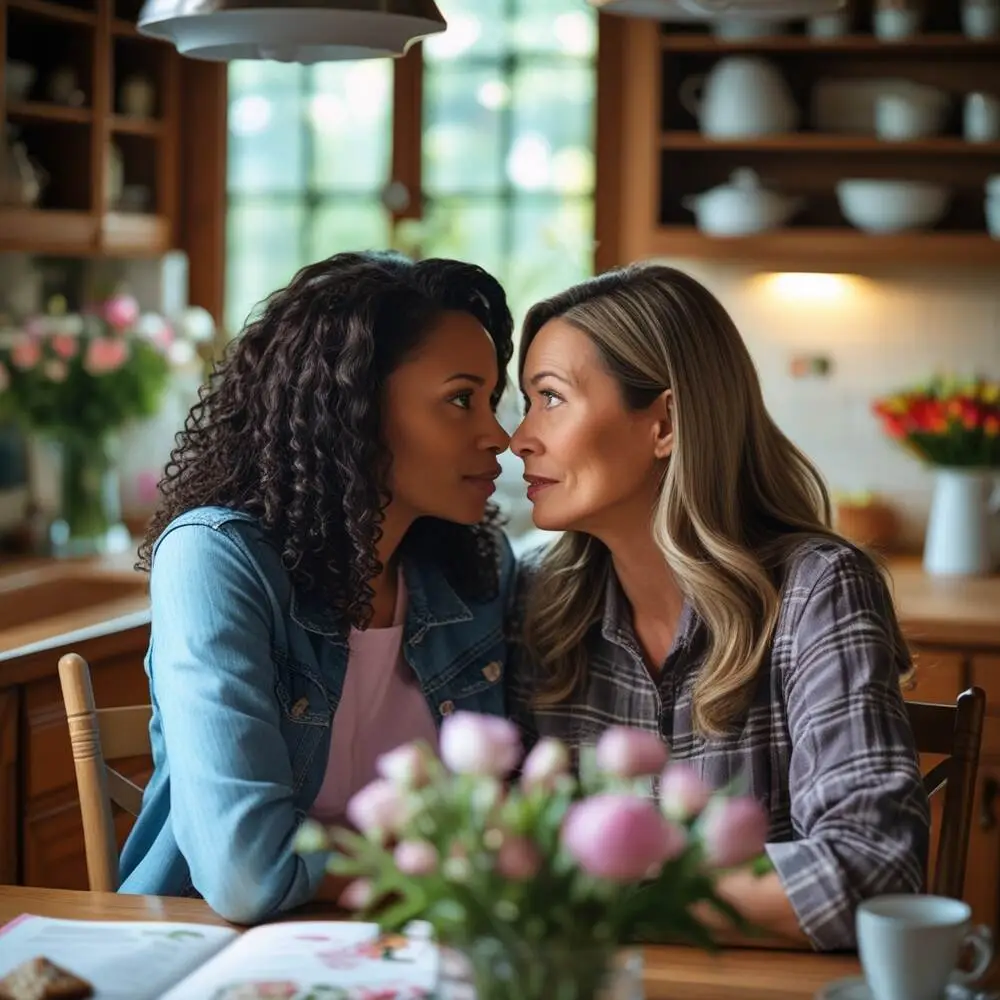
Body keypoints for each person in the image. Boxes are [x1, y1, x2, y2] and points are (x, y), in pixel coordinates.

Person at [507, 263, 930, 952]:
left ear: (665, 422)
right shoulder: (534, 597)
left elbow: (873, 872)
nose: (519, 437)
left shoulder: (817, 590)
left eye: (550, 398)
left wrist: (602, 892)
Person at [118, 251, 515, 923]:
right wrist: (434, 853)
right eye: (460, 399)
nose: (499, 434)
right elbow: (245, 875)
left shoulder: (477, 568)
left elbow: (512, 833)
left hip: (421, 943)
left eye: (492, 400)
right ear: (354, 407)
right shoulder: (217, 560)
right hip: (214, 952)